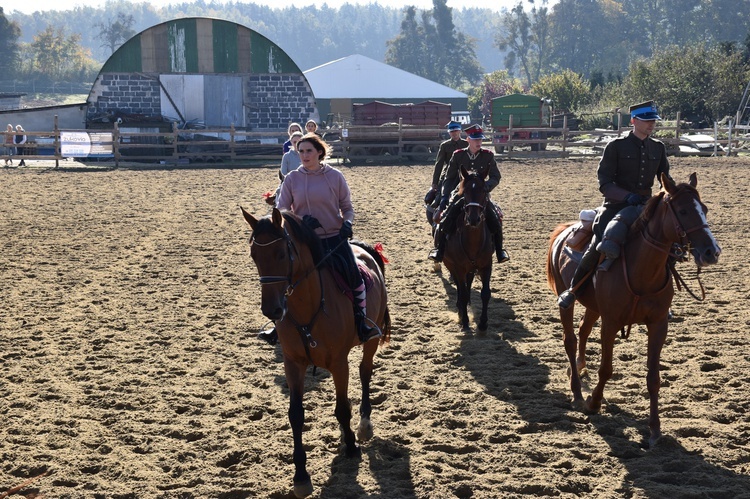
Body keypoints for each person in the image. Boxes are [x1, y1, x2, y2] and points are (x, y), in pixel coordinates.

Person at [258, 133, 381, 345]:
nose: (304, 155)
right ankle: (277, 327)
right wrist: (301, 220)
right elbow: (281, 209)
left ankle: (362, 322)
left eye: (309, 151)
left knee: (355, 278)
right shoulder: (291, 179)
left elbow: (348, 208)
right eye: (301, 151)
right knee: (284, 279)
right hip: (304, 242)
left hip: (334, 238)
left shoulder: (335, 176)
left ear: (320, 153)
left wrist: (347, 224)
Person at [557, 100, 671, 309]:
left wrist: (667, 198)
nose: (651, 124)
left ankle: (663, 298)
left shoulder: (658, 147)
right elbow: (605, 183)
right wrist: (626, 196)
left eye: (653, 120)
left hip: (646, 206)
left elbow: (666, 180)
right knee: (600, 239)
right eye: (647, 120)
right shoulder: (616, 146)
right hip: (616, 206)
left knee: (668, 242)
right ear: (633, 121)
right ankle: (573, 289)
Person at [428, 124, 510, 264]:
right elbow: (448, 179)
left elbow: (496, 176)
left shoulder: (488, 156)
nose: (478, 142)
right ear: (468, 140)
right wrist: (444, 198)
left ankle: (500, 250)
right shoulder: (458, 155)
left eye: (480, 139)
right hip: (461, 194)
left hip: (480, 195)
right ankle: (439, 250)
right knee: (445, 220)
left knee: (495, 219)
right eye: (475, 139)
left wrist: (486, 187)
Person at [424, 121, 468, 226]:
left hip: (464, 174)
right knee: (439, 195)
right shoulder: (445, 145)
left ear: (460, 131)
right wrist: (435, 182)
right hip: (449, 174)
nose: (454, 133)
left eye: (456, 131)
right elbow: (439, 164)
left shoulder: (466, 144)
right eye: (452, 131)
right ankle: (435, 216)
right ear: (449, 133)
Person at [265, 131, 303, 206]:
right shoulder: (287, 156)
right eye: (295, 142)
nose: (297, 144)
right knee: (279, 191)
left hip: (304, 180)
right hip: (289, 181)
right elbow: (283, 172)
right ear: (291, 142)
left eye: (299, 142)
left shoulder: (306, 155)